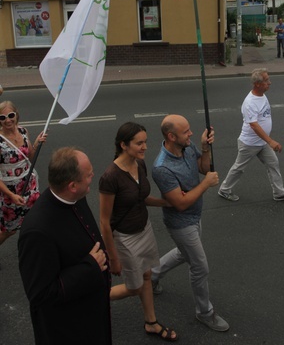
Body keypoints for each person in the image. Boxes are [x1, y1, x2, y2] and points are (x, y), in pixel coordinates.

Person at [18, 147, 112, 345]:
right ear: (71, 185)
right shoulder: (37, 231)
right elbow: (40, 294)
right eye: (88, 175)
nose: (93, 176)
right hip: (68, 329)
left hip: (91, 314)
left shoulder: (76, 197)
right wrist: (90, 268)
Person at [99, 122, 177, 342]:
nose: (145, 147)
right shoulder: (110, 177)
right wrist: (113, 258)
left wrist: (167, 203)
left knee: (146, 275)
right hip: (124, 238)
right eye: (139, 143)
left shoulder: (139, 164)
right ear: (123, 145)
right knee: (134, 288)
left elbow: (140, 198)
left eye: (145, 142)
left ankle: (151, 322)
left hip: (144, 229)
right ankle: (90, 299)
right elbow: (105, 222)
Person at [151, 114, 229, 333]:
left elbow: (203, 168)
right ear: (171, 136)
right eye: (186, 131)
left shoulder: (187, 146)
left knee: (183, 253)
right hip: (181, 222)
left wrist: (205, 148)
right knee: (199, 266)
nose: (191, 134)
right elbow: (180, 204)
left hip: (196, 215)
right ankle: (205, 313)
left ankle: (152, 276)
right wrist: (205, 185)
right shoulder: (162, 167)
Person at [218, 68, 284, 202]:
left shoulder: (262, 95)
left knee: (273, 164)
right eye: (266, 80)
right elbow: (254, 125)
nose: (270, 83)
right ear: (257, 84)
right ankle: (224, 190)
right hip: (249, 143)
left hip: (262, 142)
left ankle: (279, 193)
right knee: (239, 168)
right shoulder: (250, 102)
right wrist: (271, 141)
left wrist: (267, 141)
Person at [0, 100, 47, 245]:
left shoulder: (23, 131)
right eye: (2, 117)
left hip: (29, 186)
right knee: (9, 230)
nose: (8, 120)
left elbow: (29, 157)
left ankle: (34, 252)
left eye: (11, 115)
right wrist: (11, 195)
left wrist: (37, 143)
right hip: (10, 192)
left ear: (16, 115)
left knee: (36, 220)